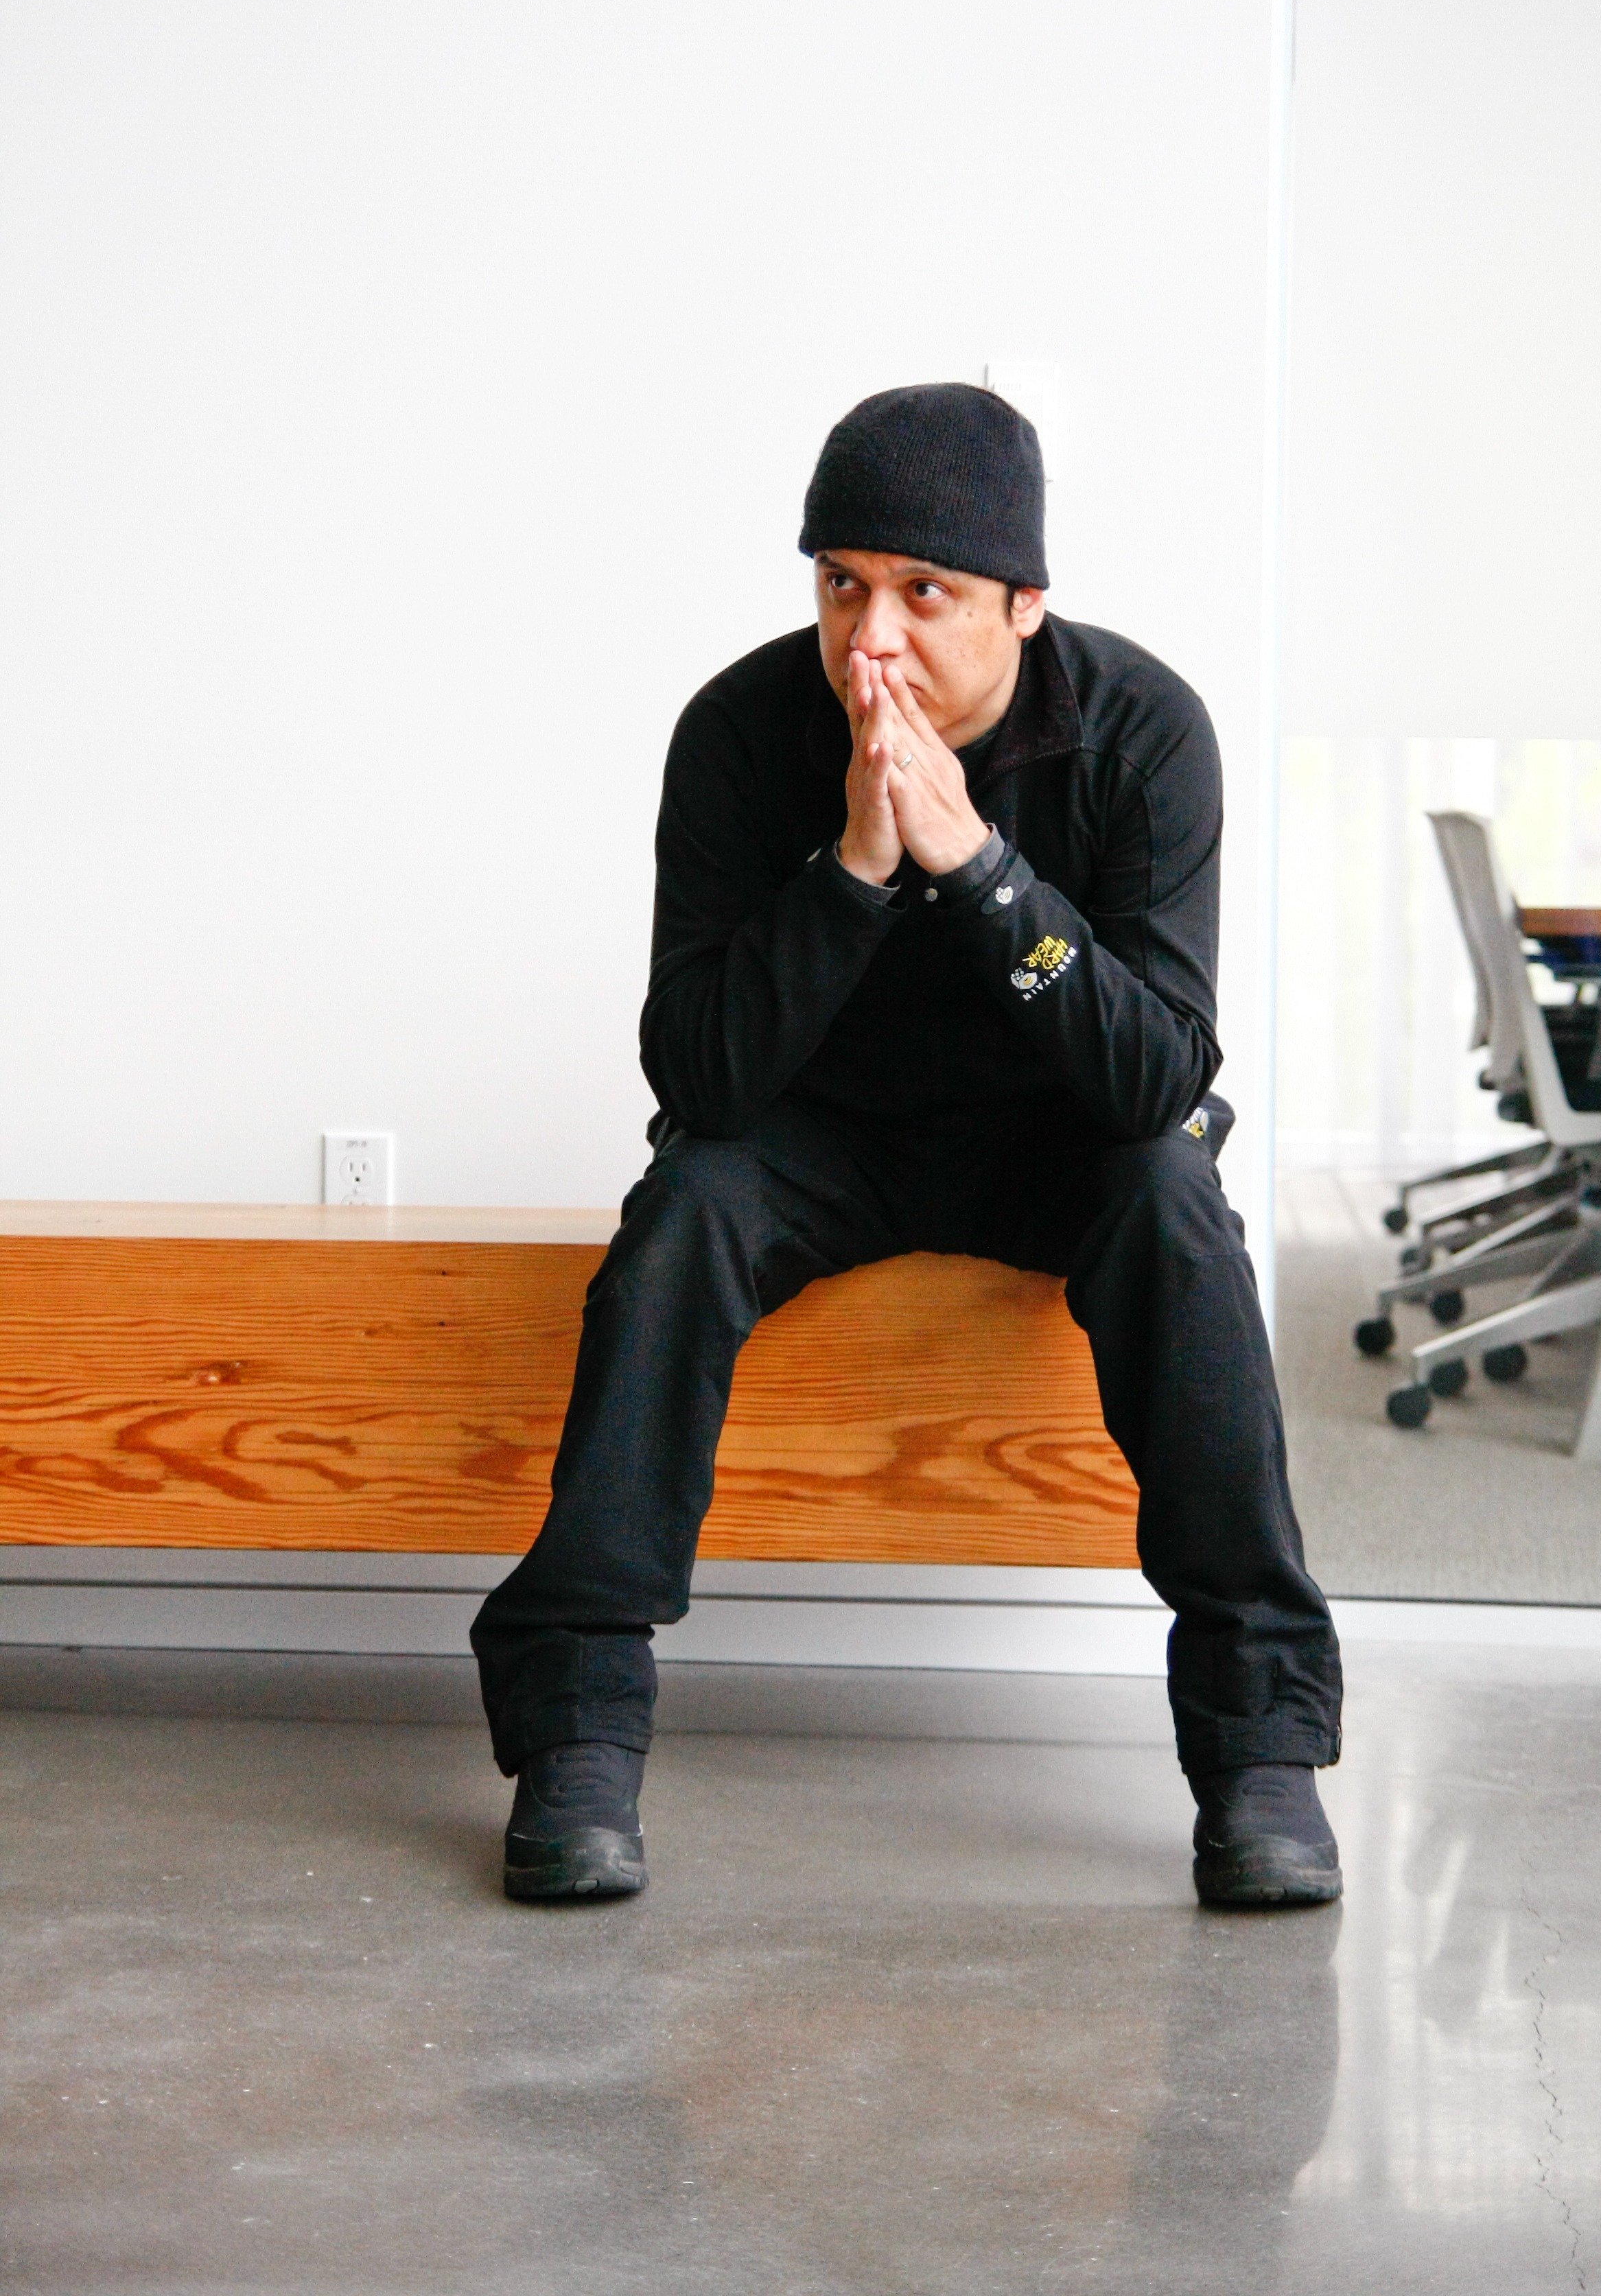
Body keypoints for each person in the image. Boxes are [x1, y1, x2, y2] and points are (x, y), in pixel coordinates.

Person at [471, 383, 1344, 1910]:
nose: (869, 639)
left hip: (1066, 1137)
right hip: (823, 1139)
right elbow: (702, 1076)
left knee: (1175, 1201)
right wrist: (858, 867)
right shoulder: (741, 731)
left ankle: (1260, 1748)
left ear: (1024, 605)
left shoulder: (1143, 731)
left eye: (922, 593)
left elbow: (1156, 1079)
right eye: (842, 585)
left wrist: (986, 875)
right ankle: (579, 1736)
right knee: (686, 1208)